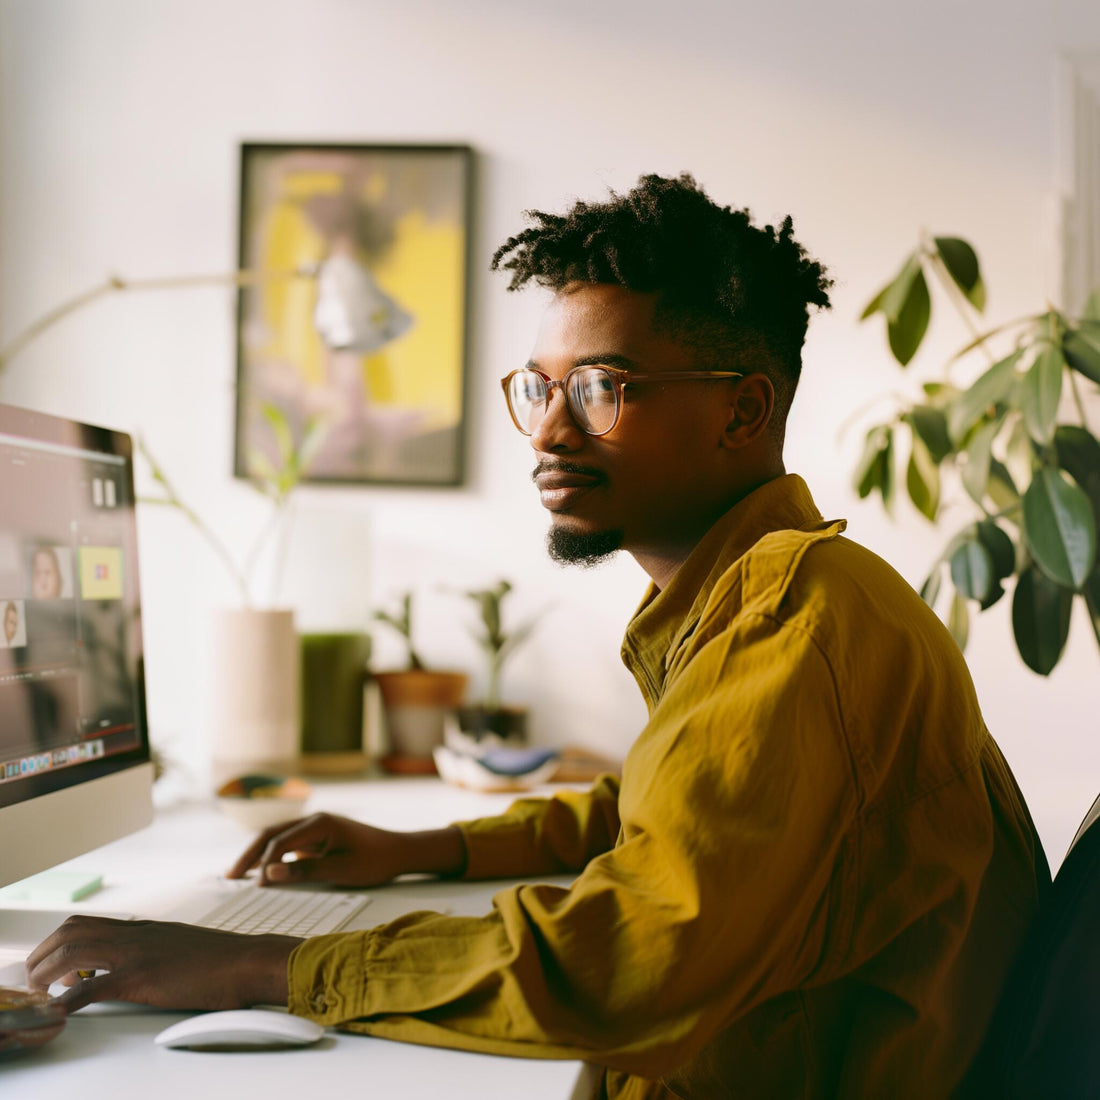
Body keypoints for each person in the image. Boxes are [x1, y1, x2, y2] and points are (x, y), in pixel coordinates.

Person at [26, 174, 1048, 1098]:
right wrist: (427, 845)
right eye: (538, 387)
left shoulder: (795, 619)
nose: (551, 430)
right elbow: (660, 807)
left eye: (603, 386)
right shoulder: (761, 596)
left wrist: (255, 965)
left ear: (743, 410)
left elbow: (631, 956)